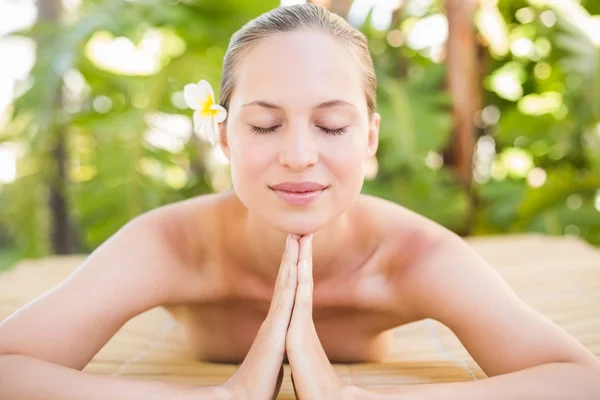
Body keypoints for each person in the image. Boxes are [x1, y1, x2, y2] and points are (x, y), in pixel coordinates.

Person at [1, 3, 599, 400]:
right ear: (225, 135)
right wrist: (222, 398)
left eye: (332, 126)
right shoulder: (172, 244)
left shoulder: (414, 256)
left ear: (369, 137)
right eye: (264, 126)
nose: (297, 155)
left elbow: (578, 377)